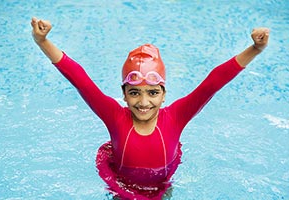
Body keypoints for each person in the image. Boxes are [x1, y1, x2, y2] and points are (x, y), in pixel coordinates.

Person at [31, 17, 269, 200]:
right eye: (134, 92)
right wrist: (43, 41)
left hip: (161, 186)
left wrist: (255, 49)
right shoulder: (114, 115)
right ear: (124, 94)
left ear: (164, 94)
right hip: (120, 186)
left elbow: (213, 82)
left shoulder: (177, 116)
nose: (144, 102)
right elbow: (79, 78)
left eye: (153, 92)